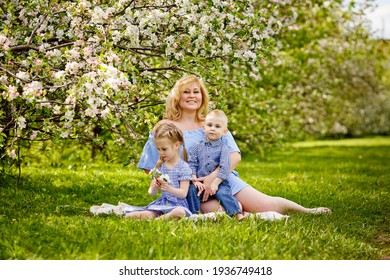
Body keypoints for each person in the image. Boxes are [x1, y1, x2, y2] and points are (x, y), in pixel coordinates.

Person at [137, 75, 332, 215]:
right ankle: (241, 212)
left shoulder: (212, 123)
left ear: (202, 97)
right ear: (176, 97)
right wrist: (172, 183)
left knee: (265, 203)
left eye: (196, 92)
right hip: (189, 189)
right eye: (186, 92)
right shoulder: (165, 127)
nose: (191, 96)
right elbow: (150, 166)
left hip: (222, 179)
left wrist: (212, 180)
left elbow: (234, 156)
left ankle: (307, 211)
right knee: (222, 213)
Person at [125, 122, 192, 220]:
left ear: (177, 145)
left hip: (178, 204)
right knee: (151, 212)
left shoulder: (184, 167)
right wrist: (154, 187)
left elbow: (183, 194)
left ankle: (159, 219)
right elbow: (151, 193)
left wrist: (168, 188)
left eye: (164, 149)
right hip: (163, 203)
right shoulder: (161, 166)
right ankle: (156, 216)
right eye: (158, 149)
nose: (161, 153)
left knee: (180, 212)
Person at [188, 109, 245, 220]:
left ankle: (237, 214)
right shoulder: (197, 147)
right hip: (200, 181)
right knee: (191, 191)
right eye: (209, 125)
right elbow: (192, 164)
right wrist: (194, 180)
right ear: (204, 127)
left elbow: (224, 167)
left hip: (219, 182)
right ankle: (194, 215)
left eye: (217, 126)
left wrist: (215, 183)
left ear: (224, 131)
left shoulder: (223, 148)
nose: (213, 128)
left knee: (224, 193)